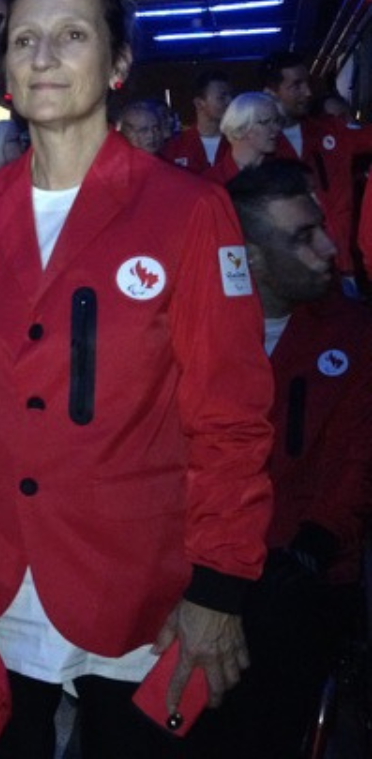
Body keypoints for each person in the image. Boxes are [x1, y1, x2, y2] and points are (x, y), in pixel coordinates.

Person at [0, 0, 274, 758]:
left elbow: (230, 416)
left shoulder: (187, 211)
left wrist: (220, 584)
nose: (44, 57)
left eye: (72, 36)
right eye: (25, 41)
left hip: (133, 577)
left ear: (116, 64)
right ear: (4, 69)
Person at [187, 160, 372, 758]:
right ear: (251, 259)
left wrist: (306, 552)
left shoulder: (353, 335)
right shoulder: (190, 331)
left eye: (319, 226)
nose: (328, 247)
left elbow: (353, 469)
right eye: (303, 237)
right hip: (199, 565)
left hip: (296, 573)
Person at [261, 51, 372, 293]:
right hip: (289, 280)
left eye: (307, 84)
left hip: (343, 271)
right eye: (296, 86)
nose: (308, 93)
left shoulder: (332, 131)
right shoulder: (258, 148)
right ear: (271, 93)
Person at [203, 91, 285, 185]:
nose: (277, 128)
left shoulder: (283, 175)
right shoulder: (211, 181)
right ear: (241, 128)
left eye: (276, 121)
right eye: (266, 122)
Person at [160, 70, 233, 173]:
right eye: (222, 97)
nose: (229, 101)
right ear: (199, 103)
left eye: (230, 95)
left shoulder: (237, 143)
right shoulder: (175, 147)